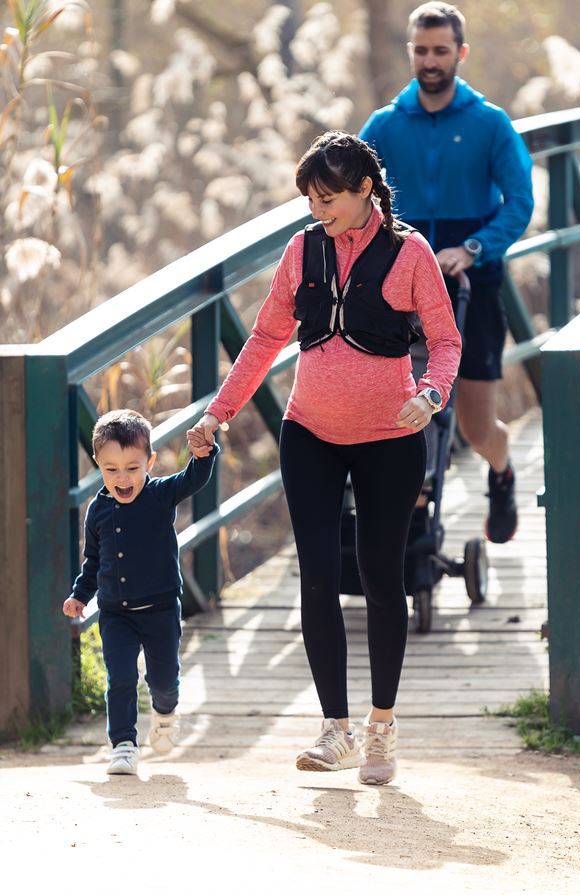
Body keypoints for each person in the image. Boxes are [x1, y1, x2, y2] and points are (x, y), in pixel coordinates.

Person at [187, 131, 460, 786]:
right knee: (315, 577)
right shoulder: (302, 250)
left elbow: (446, 341)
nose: (318, 210)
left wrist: (431, 393)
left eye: (328, 197)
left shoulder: (410, 253)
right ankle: (334, 728)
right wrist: (216, 412)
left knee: (381, 575)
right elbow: (265, 336)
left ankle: (381, 725)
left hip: (391, 439)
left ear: (365, 189)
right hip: (309, 431)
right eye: (311, 198)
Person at [359, 0, 534, 545]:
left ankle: (501, 474)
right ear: (410, 52)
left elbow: (520, 201)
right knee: (397, 415)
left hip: (472, 286)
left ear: (460, 53)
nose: (430, 60)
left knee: (476, 427)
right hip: (400, 289)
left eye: (440, 50)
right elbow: (352, 194)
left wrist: (475, 247)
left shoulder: (489, 124)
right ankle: (410, 522)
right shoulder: (385, 126)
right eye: (421, 50)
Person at [62, 408, 218, 777]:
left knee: (162, 680)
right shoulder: (97, 510)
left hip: (161, 609)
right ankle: (123, 745)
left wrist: (204, 455)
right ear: (98, 464)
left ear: (149, 461)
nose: (123, 478)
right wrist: (80, 596)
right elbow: (93, 561)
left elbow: (193, 480)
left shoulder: (160, 494)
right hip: (115, 613)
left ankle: (165, 714)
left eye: (133, 467)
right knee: (120, 677)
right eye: (111, 469)